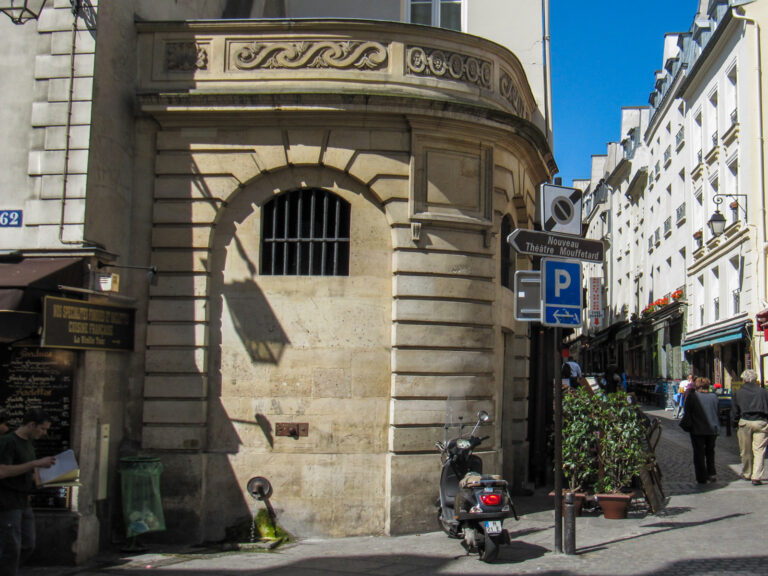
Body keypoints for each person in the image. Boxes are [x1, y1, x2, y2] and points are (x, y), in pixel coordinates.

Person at [0, 408, 56, 576]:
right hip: (8, 501)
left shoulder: (28, 444)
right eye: (43, 428)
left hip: (23, 500)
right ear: (32, 424)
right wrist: (35, 464)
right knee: (11, 547)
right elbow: (2, 471)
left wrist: (43, 479)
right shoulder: (8, 442)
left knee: (27, 543)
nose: (44, 433)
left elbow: (23, 472)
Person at [731, 369, 768, 486]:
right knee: (759, 450)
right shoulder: (763, 392)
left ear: (744, 380)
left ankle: (747, 473)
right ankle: (756, 476)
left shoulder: (739, 393)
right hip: (761, 422)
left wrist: (734, 422)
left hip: (745, 422)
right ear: (755, 379)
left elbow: (735, 411)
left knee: (745, 450)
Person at [680, 377, 719, 484]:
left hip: (697, 430)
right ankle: (711, 473)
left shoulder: (692, 397)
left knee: (699, 453)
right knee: (710, 452)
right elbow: (717, 412)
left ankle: (701, 476)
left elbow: (687, 413)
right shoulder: (714, 397)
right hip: (712, 429)